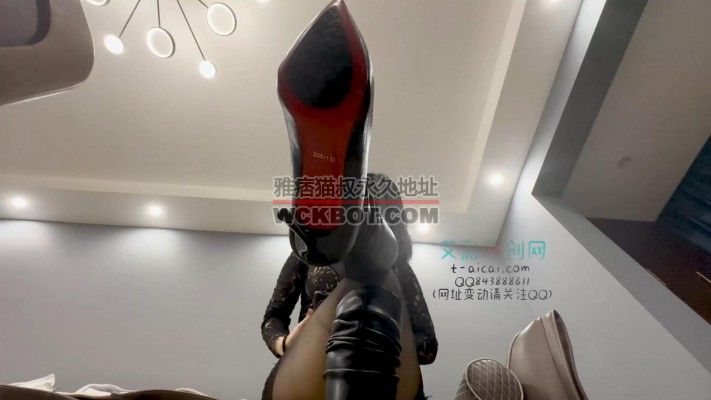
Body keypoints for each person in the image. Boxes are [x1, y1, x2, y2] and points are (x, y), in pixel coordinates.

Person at [261, 174, 438, 366]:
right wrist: (284, 344)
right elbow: (274, 315)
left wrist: (386, 334)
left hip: (376, 371)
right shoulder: (309, 252)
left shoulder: (399, 267)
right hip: (308, 363)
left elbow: (427, 348)